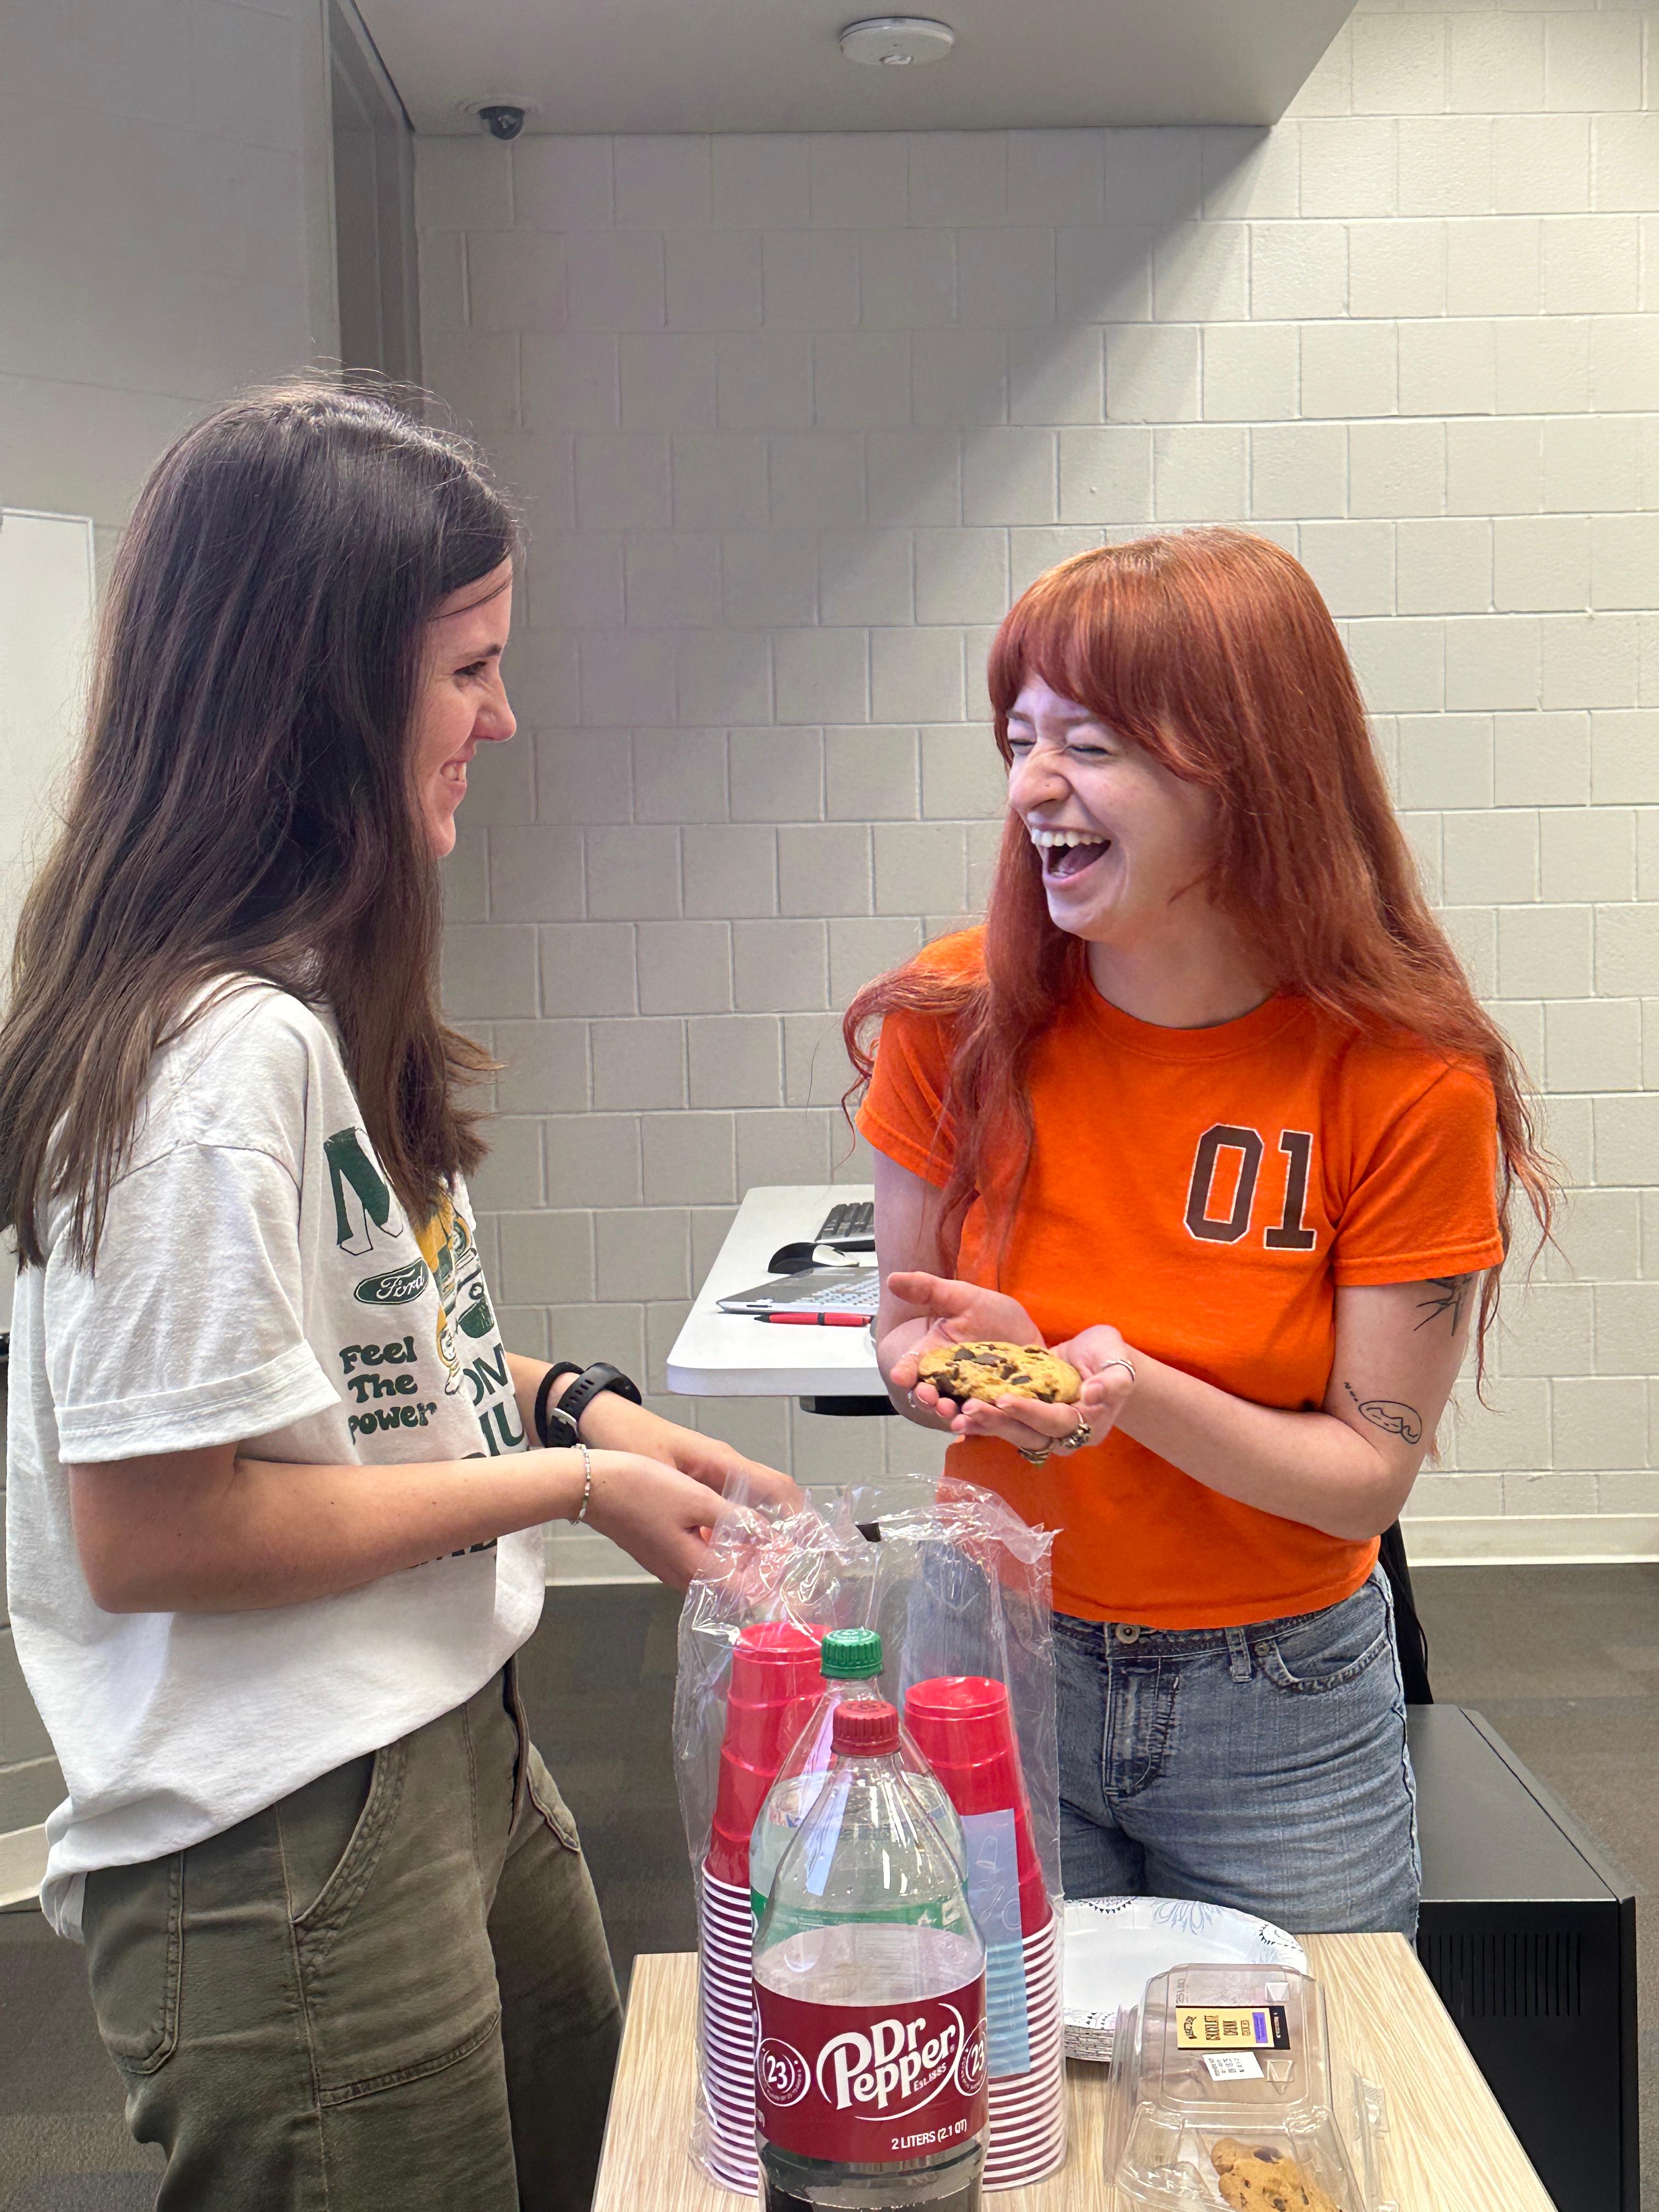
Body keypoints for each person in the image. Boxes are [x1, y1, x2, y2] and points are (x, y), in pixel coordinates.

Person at [0, 381, 793, 2211]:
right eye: (466, 671)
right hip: (285, 1837)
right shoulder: (210, 1057)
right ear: (315, 692)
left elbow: (356, 1360)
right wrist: (575, 1492)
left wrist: (582, 1408)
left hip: (443, 1746)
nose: (501, 718)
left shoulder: (293, 1005)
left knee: (595, 2150)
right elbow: (162, 1526)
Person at [846, 531, 1554, 1937]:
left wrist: (1116, 1389)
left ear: (1251, 774)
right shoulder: (955, 1020)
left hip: (1278, 1703)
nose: (1032, 785)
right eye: (1022, 735)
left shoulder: (1407, 1078)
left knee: (1282, 2120)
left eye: (1091, 744)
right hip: (993, 1649)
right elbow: (900, 1325)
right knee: (1008, 2108)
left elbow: (1363, 1480)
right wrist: (936, 1362)